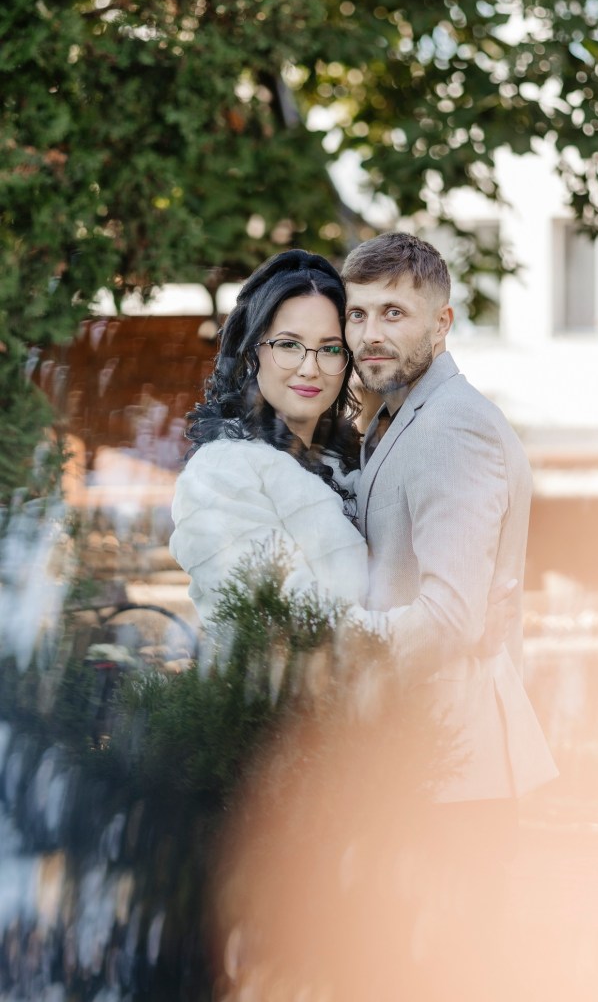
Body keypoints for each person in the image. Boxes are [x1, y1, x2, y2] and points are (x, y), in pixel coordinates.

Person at [341, 231, 557, 998]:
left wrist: (322, 658)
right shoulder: (406, 415)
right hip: (428, 764)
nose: (369, 333)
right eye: (358, 313)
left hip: (452, 770)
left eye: (393, 312)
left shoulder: (450, 427)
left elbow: (449, 616)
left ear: (442, 322)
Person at [169, 249, 369, 628]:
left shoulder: (343, 461)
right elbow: (283, 624)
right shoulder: (222, 472)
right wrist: (428, 625)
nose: (310, 368)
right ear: (253, 351)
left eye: (330, 349)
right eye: (289, 345)